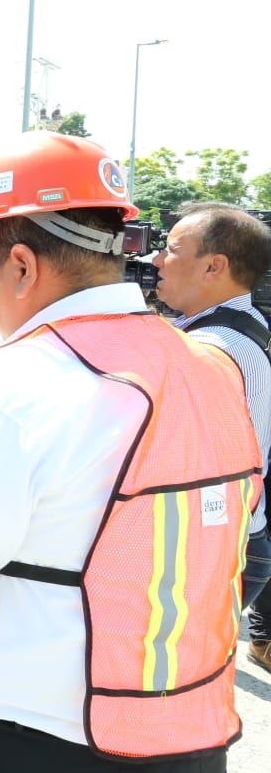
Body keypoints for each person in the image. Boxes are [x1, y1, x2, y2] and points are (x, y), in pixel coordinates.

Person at [0, 134, 261, 771]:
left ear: (19, 265)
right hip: (185, 734)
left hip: (34, 741)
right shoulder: (210, 369)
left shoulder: (7, 386)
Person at [151, 202, 271, 661]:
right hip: (235, 541)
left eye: (171, 249)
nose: (156, 260)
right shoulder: (230, 327)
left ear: (214, 266)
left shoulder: (209, 350)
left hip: (214, 549)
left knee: (167, 681)